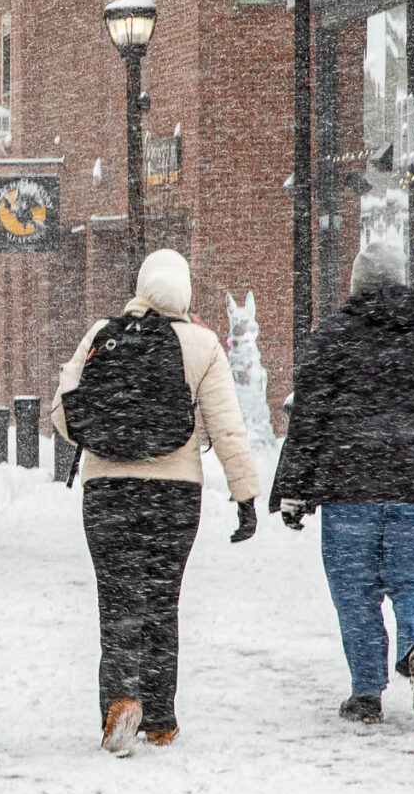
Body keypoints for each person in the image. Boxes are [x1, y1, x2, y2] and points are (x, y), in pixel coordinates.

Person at [51, 249, 264, 755]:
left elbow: (63, 414)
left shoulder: (102, 333)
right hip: (174, 494)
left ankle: (122, 698)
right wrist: (245, 496)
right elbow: (228, 429)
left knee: (119, 597)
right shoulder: (203, 344)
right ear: (185, 292)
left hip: (107, 491)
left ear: (144, 286)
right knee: (162, 600)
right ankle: (162, 716)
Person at [270, 241, 414, 727]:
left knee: (354, 589)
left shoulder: (332, 338)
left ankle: (366, 692)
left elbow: (309, 420)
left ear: (356, 286)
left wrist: (295, 487)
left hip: (350, 488)